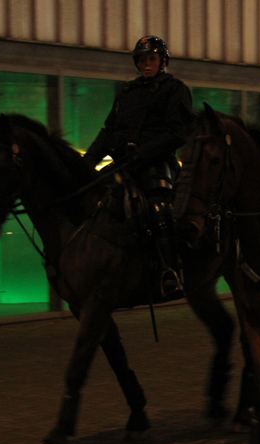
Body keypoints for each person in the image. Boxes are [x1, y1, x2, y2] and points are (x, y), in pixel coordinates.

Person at [84, 35, 193, 298]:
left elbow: (178, 133)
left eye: (152, 59)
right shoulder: (127, 92)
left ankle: (170, 271)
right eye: (142, 60)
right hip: (124, 164)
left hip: (157, 163)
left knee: (158, 207)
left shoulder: (175, 90)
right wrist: (86, 163)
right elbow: (109, 131)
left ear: (162, 61)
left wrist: (144, 153)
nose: (146, 64)